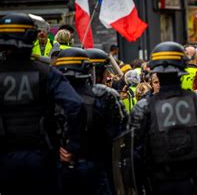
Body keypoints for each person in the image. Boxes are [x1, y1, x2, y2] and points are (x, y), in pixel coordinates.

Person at [0, 13, 83, 194]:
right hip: (41, 156)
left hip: (4, 160)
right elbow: (75, 104)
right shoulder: (47, 74)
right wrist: (71, 146)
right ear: (32, 37)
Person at [129, 41, 197, 194]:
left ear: (155, 71)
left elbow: (135, 156)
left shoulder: (143, 108)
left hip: (160, 185)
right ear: (183, 68)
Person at [54, 47, 124, 194]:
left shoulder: (50, 98)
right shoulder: (103, 97)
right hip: (95, 168)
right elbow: (115, 135)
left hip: (61, 169)